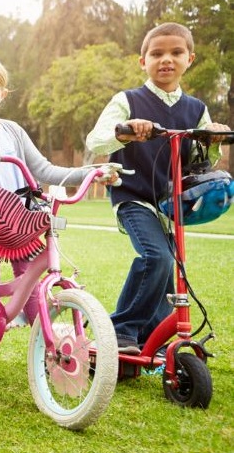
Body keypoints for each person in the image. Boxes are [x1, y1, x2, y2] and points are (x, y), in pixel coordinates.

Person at [0, 54, 107, 381]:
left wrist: (91, 172)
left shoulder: (14, 131)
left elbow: (44, 170)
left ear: (3, 94)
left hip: (20, 220)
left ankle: (49, 352)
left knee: (31, 283)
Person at [85, 22, 230, 355]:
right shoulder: (128, 100)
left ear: (189, 58)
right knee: (157, 257)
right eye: (157, 53)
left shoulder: (196, 109)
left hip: (171, 202)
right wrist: (125, 132)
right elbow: (96, 140)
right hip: (133, 196)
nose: (166, 59)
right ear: (143, 61)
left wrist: (213, 138)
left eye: (176, 52)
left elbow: (203, 161)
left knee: (173, 269)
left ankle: (152, 340)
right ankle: (121, 330)